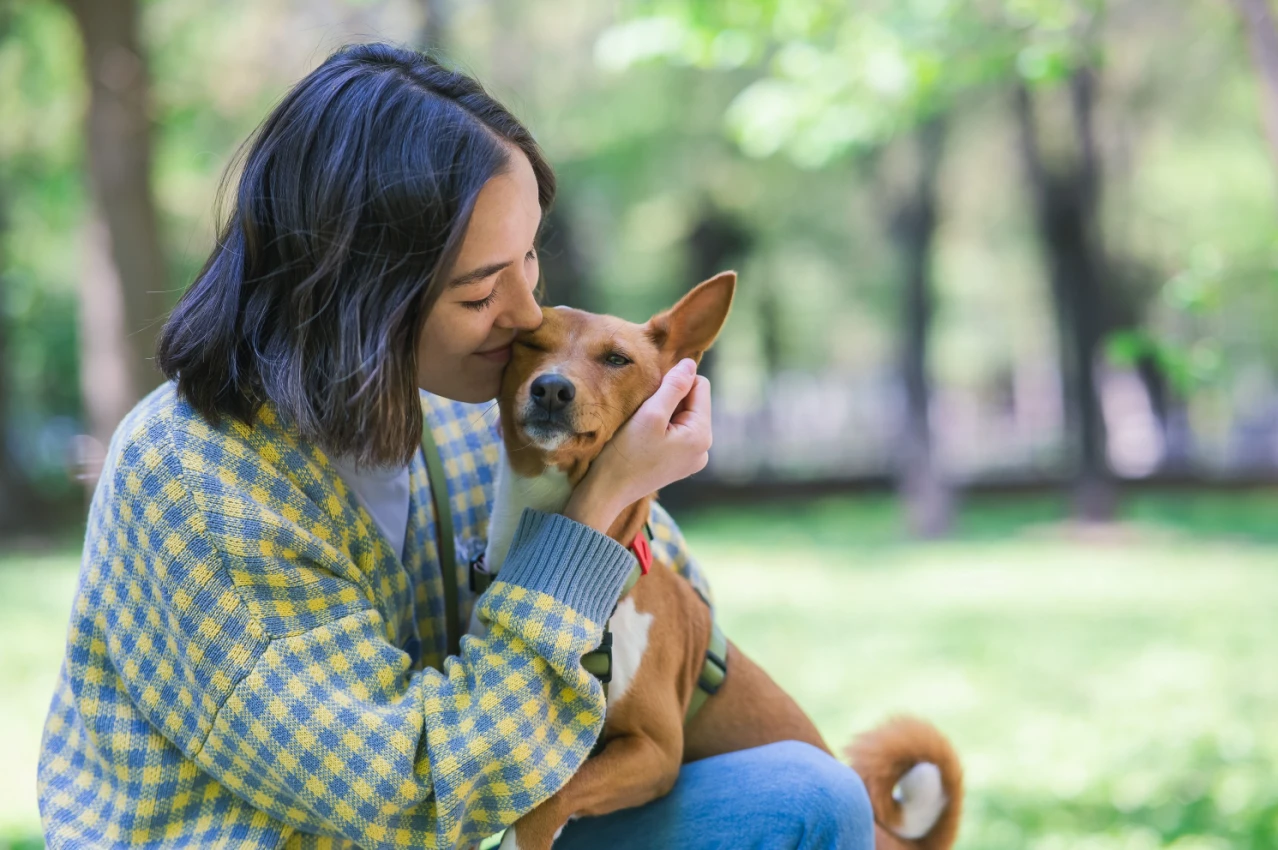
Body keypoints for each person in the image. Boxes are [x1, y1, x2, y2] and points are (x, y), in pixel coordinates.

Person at [37, 43, 872, 849]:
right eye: (480, 290)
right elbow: (416, 793)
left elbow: (668, 617)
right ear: (363, 295)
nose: (525, 315)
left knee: (805, 799)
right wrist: (595, 511)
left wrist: (625, 466)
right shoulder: (198, 485)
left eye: (529, 259)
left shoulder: (471, 406)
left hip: (474, 818)